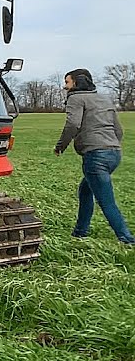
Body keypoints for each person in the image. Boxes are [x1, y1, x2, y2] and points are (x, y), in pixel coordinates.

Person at [55, 68, 135, 245]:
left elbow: (73, 124)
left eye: (67, 82)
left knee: (106, 201)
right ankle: (80, 232)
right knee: (85, 190)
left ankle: (127, 240)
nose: (65, 86)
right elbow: (119, 130)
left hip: (96, 156)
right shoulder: (104, 98)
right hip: (114, 153)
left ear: (77, 82)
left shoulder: (75, 98)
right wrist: (110, 146)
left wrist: (61, 146)